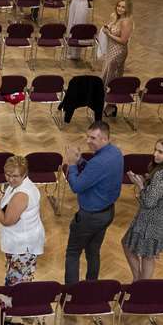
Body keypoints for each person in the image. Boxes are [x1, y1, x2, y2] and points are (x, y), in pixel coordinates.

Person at [63, 121, 124, 284]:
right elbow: (96, 174)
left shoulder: (99, 162)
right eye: (87, 136)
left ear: (104, 138)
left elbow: (76, 186)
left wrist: (72, 164)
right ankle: (91, 287)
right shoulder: (116, 153)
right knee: (93, 251)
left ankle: (72, 295)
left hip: (90, 217)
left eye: (93, 138)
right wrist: (81, 161)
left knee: (73, 253)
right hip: (107, 212)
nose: (88, 141)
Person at [0, 154, 45, 291]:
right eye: (7, 174)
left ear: (24, 174)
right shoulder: (16, 185)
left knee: (17, 286)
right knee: (16, 279)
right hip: (19, 241)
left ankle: (15, 309)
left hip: (23, 246)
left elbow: (7, 220)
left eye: (15, 176)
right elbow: (8, 205)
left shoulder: (22, 194)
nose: (10, 179)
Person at [121, 140, 163, 280]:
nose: (155, 154)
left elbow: (149, 202)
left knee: (129, 247)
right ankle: (141, 283)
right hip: (161, 218)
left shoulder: (160, 175)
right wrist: (147, 182)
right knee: (148, 255)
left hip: (149, 220)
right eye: (155, 150)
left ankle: (138, 281)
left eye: (160, 152)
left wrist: (140, 185)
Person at [98, 0, 133, 104]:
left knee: (111, 76)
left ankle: (109, 104)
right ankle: (104, 102)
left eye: (123, 7)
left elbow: (123, 41)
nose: (120, 8)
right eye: (119, 6)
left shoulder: (126, 22)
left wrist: (108, 34)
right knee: (106, 73)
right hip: (110, 50)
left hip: (118, 52)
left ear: (127, 9)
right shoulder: (117, 18)